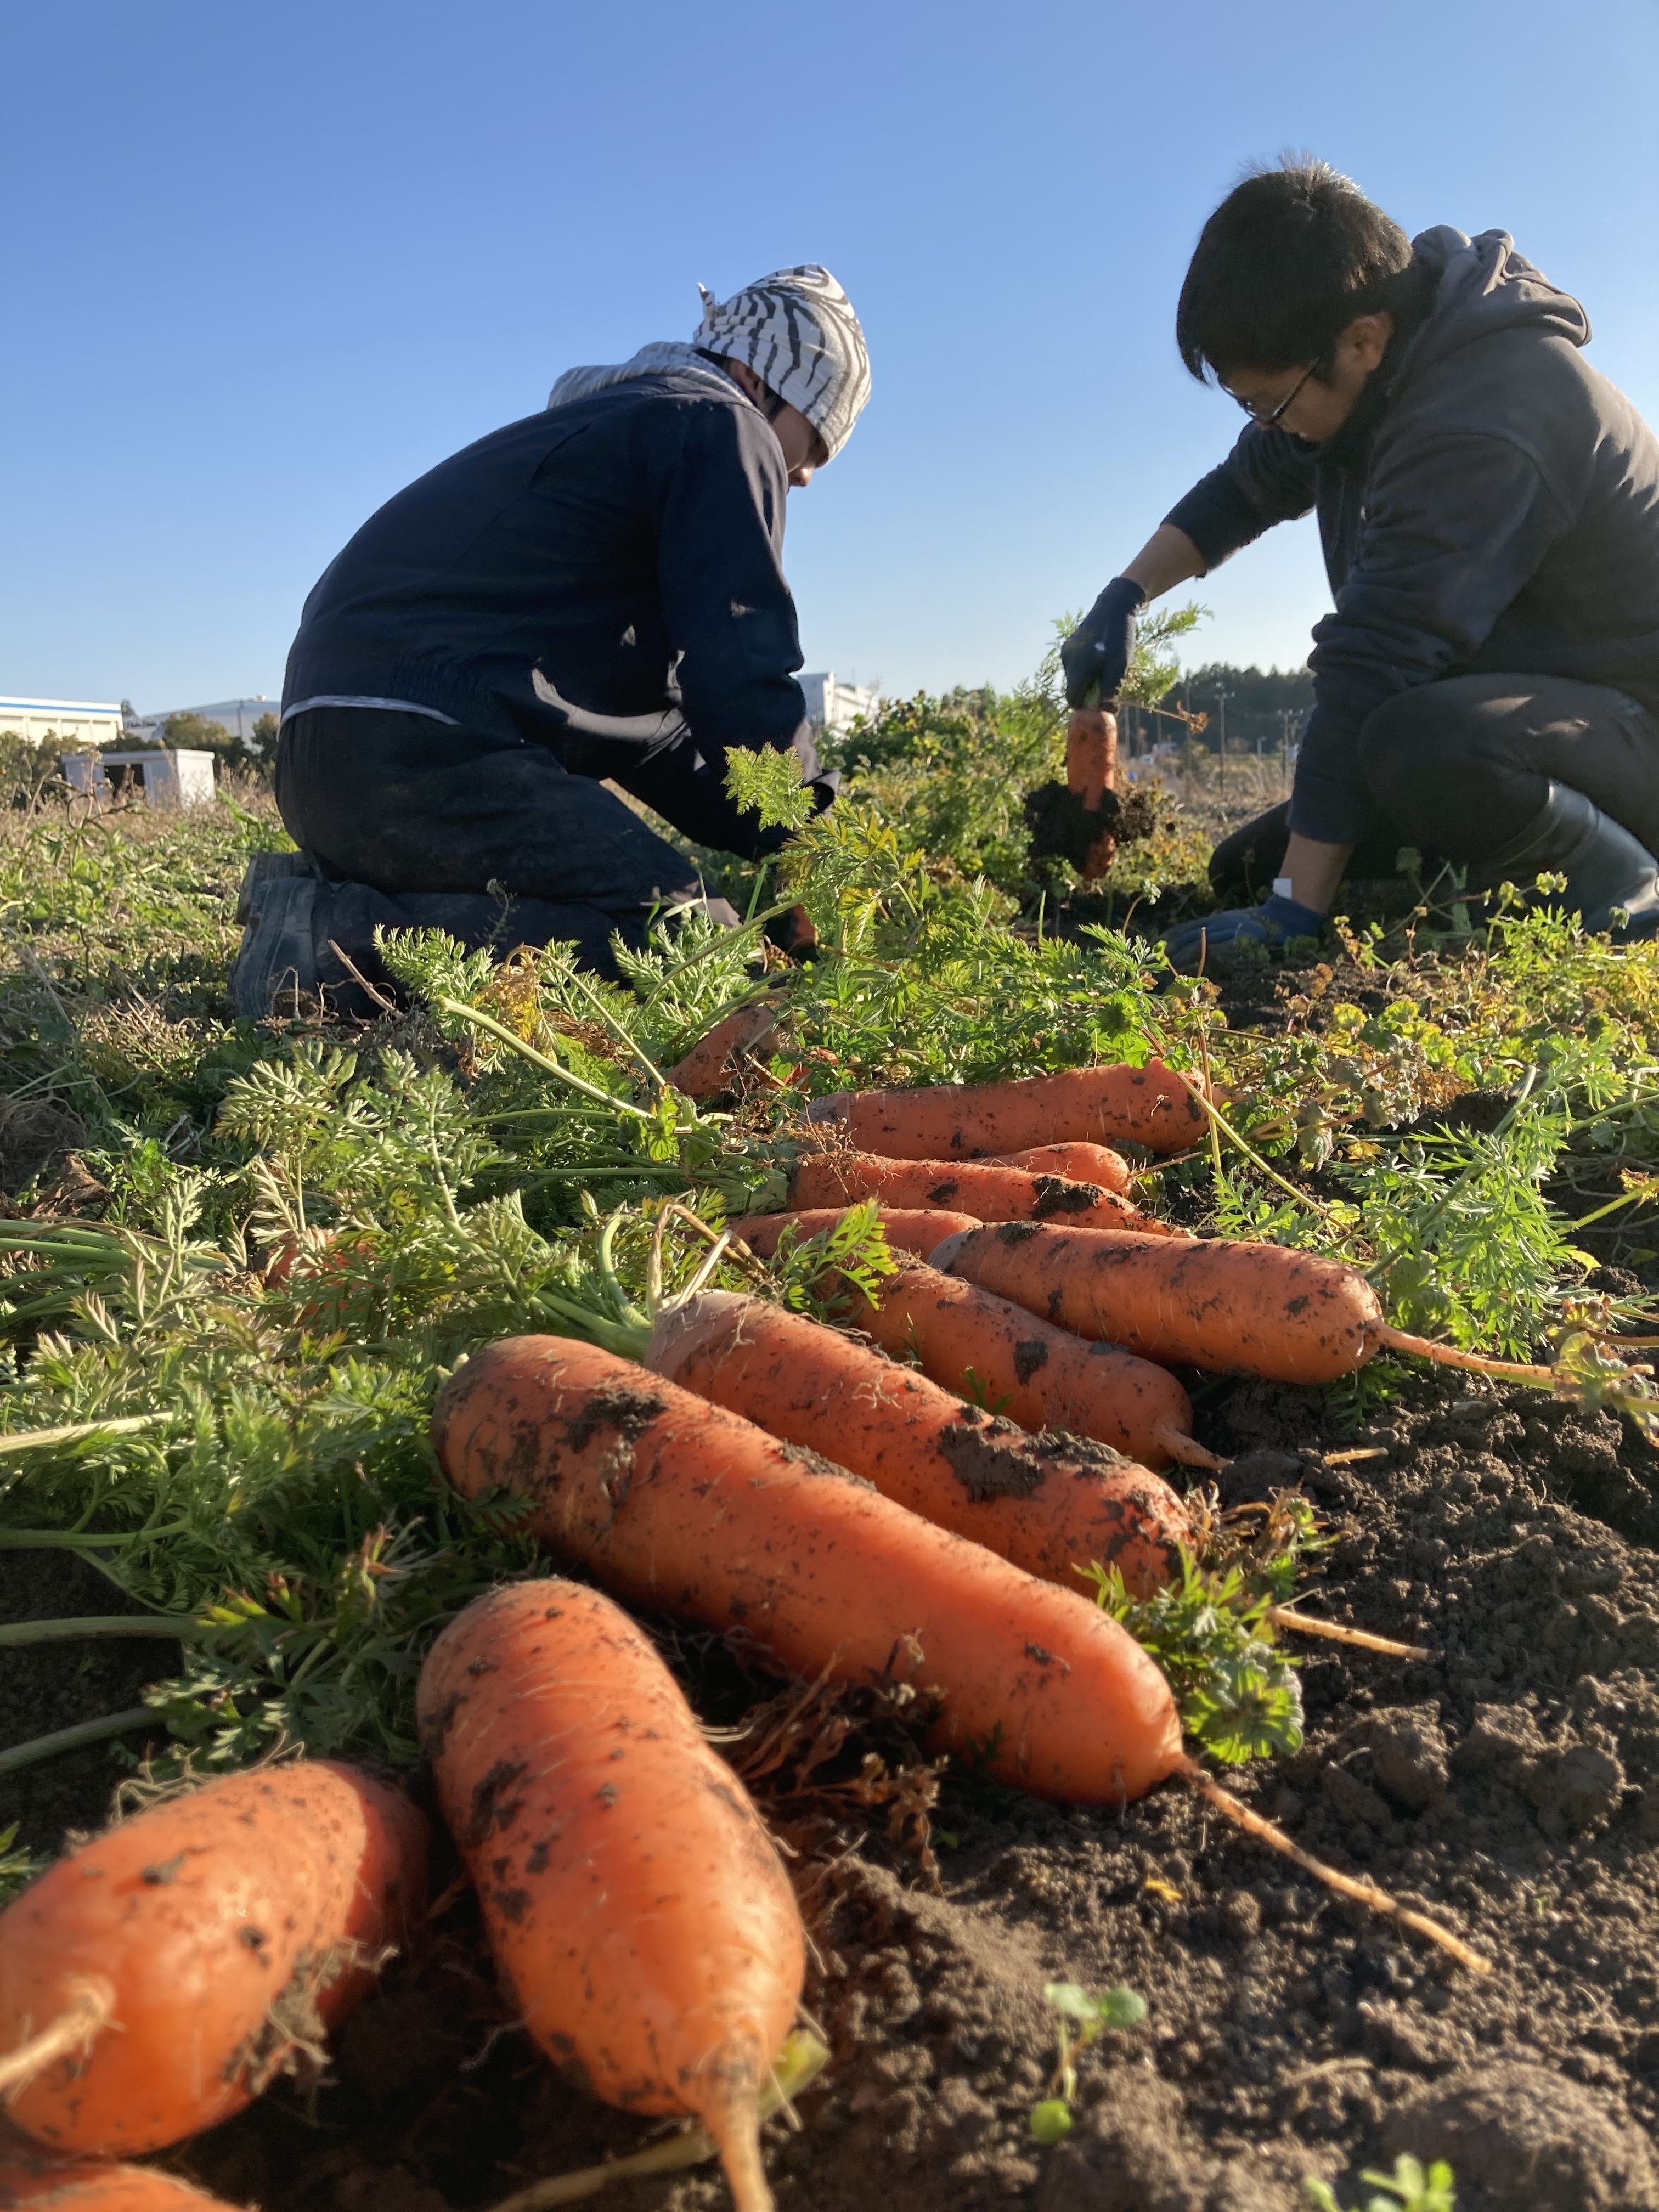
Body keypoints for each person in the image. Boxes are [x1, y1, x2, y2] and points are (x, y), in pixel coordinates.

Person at [1060, 160, 1659, 968]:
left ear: (1363, 339)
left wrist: (1294, 914)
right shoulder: (1363, 376)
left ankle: (1634, 893)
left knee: (1417, 746)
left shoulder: (1489, 411)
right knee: (1245, 866)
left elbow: (1377, 658)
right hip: (1523, 725)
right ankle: (1483, 873)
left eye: (1269, 403)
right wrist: (1125, 595)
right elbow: (1244, 488)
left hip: (1631, 724)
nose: (1268, 427)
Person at [232, 265, 870, 1017]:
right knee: (685, 950)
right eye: (815, 441)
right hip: (421, 745)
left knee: (684, 932)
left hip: (336, 754)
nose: (804, 476)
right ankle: (321, 953)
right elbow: (738, 655)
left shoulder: (618, 443)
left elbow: (661, 739)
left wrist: (787, 839)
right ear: (755, 377)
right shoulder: (720, 423)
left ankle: (324, 912)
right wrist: (805, 825)